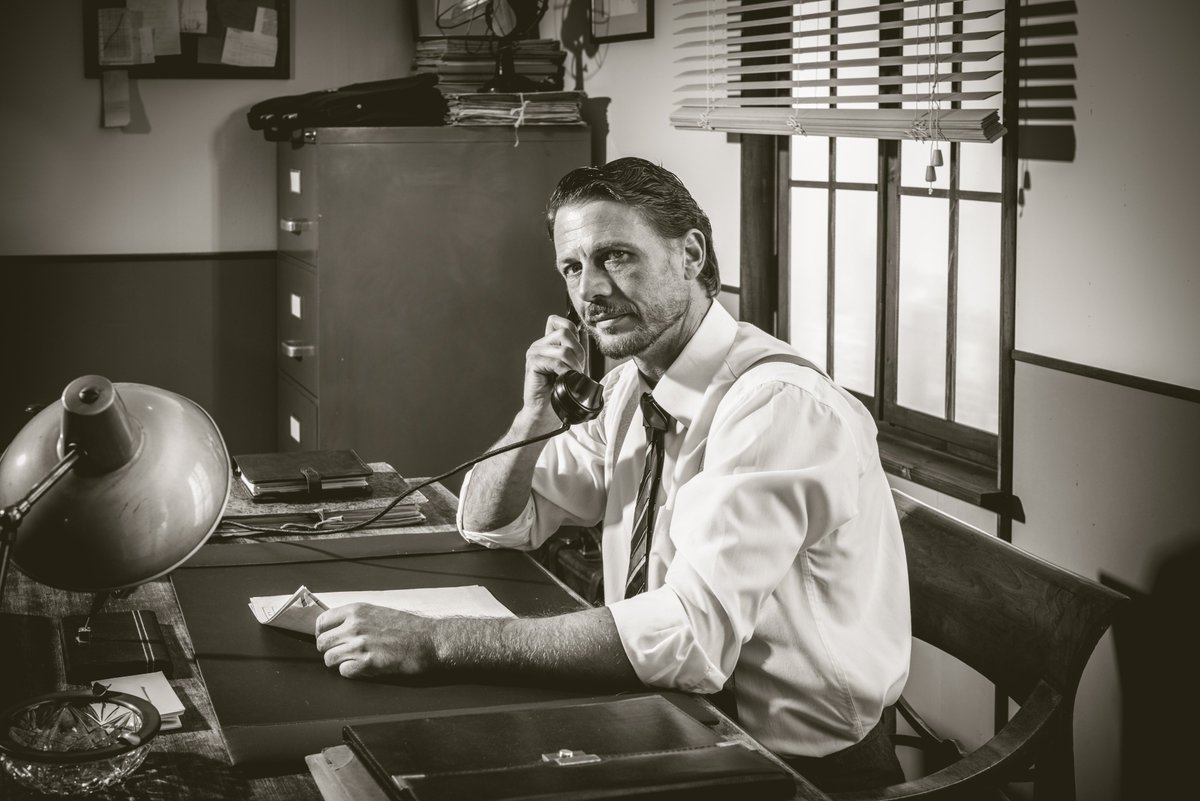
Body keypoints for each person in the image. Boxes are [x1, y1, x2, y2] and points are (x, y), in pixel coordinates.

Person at [315, 157, 911, 792]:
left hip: (799, 770)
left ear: (690, 255)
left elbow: (690, 636)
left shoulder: (775, 406)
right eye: (572, 268)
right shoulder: (632, 386)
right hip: (673, 716)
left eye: (615, 257)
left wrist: (436, 643)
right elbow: (493, 522)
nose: (590, 290)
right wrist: (534, 415)